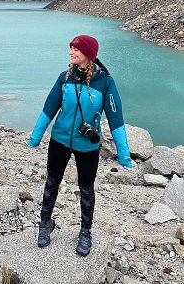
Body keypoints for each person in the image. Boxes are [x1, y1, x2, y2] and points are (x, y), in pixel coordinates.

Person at [27, 34, 133, 256]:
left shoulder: (105, 83)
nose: (70, 52)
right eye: (71, 49)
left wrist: (124, 154)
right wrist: (35, 137)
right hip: (60, 140)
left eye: (75, 49)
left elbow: (115, 117)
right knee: (52, 183)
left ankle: (85, 232)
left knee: (86, 189)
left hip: (87, 146)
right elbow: (49, 108)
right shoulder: (64, 78)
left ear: (88, 54)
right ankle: (44, 224)